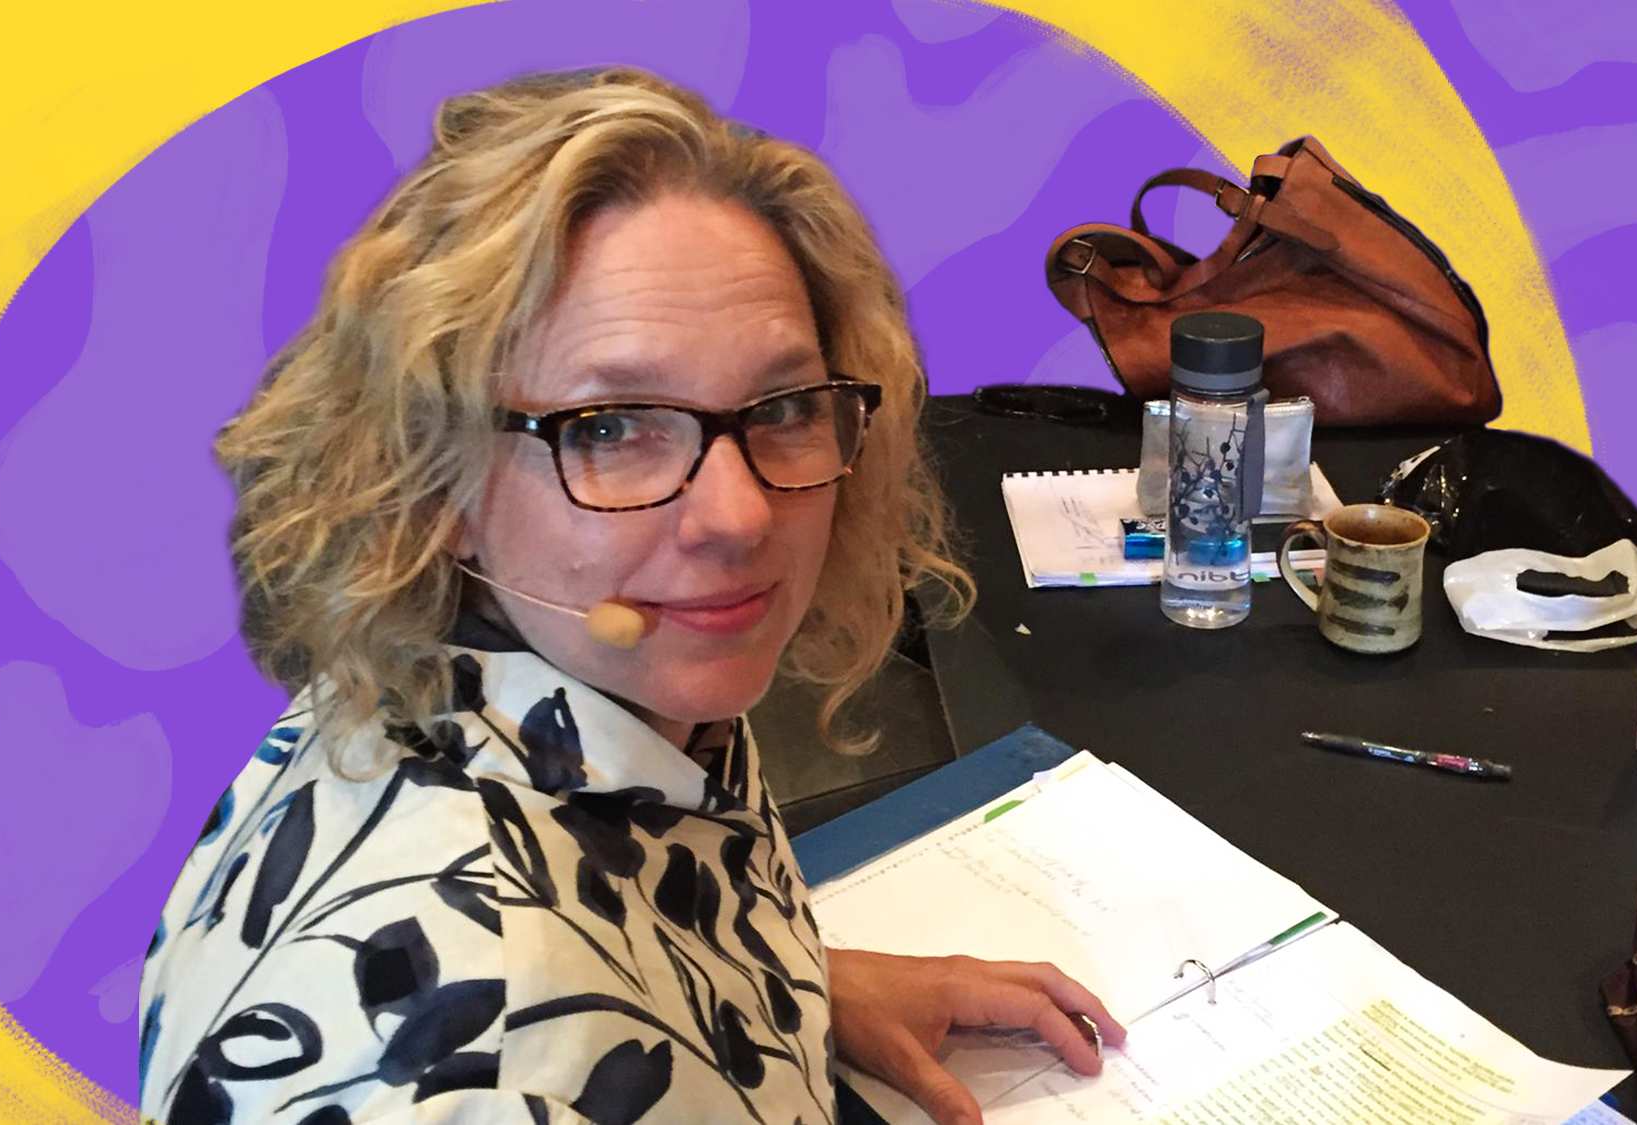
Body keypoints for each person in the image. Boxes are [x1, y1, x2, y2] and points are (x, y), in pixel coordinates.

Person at [139, 67, 1120, 1125]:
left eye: (783, 406)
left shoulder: (557, 681)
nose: (738, 516)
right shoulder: (490, 1065)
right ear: (436, 473)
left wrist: (786, 986)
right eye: (607, 428)